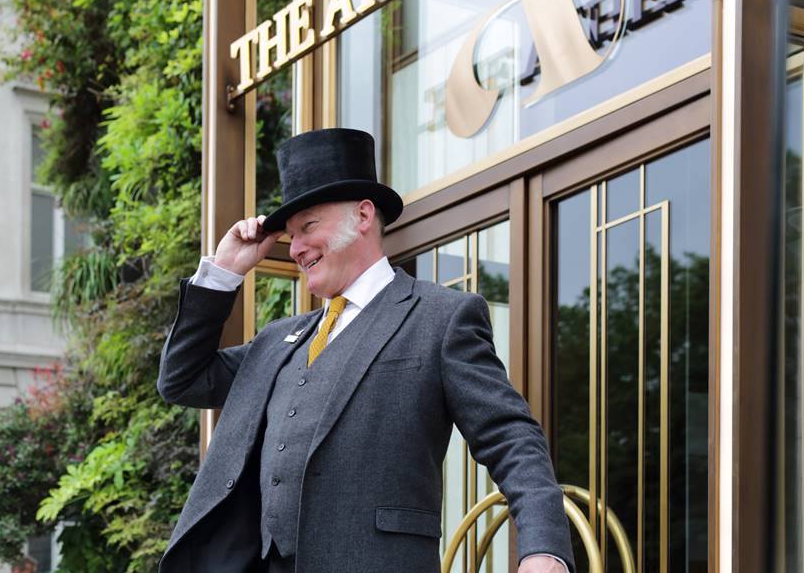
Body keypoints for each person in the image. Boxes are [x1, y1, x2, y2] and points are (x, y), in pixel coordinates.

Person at [156, 128, 574, 573]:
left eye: (308, 227)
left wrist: (543, 550)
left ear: (362, 216)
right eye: (290, 236)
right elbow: (182, 379)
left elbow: (511, 438)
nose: (295, 248)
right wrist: (223, 272)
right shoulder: (278, 341)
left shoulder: (441, 318)